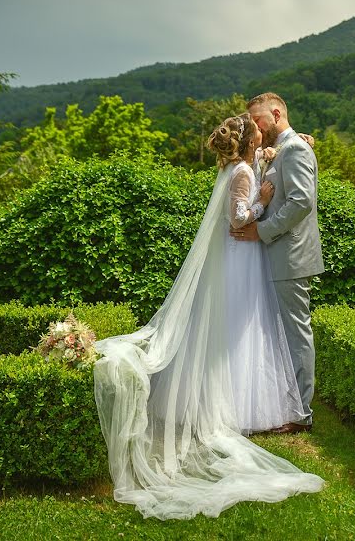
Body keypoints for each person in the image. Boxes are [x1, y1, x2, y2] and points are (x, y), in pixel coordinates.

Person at [93, 114, 323, 520]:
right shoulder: (241, 174)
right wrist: (264, 203)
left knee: (246, 329)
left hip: (246, 257)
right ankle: (236, 407)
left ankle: (249, 403)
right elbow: (238, 218)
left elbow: (266, 160)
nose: (261, 133)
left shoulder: (244, 165)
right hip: (241, 256)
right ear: (250, 141)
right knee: (238, 329)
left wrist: (285, 147)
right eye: (257, 132)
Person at [232, 92, 324, 434]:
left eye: (258, 120)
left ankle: (300, 413)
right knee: (277, 333)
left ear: (276, 114)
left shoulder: (297, 149)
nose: (254, 126)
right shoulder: (277, 149)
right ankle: (281, 403)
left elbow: (301, 202)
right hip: (272, 254)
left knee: (296, 332)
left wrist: (263, 231)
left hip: (290, 255)